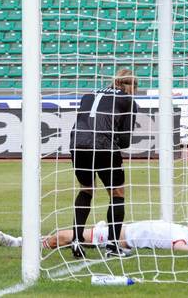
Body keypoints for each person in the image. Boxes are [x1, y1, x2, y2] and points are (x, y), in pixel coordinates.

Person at [69, 69, 138, 258]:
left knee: (86, 189)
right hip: (104, 145)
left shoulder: (89, 94)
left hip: (78, 144)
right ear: (131, 85)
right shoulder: (128, 100)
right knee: (117, 192)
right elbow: (124, 141)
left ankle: (76, 240)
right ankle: (113, 246)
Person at [0, 221, 188, 253]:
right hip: (121, 230)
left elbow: (180, 246)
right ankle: (29, 242)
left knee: (64, 236)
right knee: (70, 238)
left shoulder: (187, 240)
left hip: (120, 235)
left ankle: (17, 243)